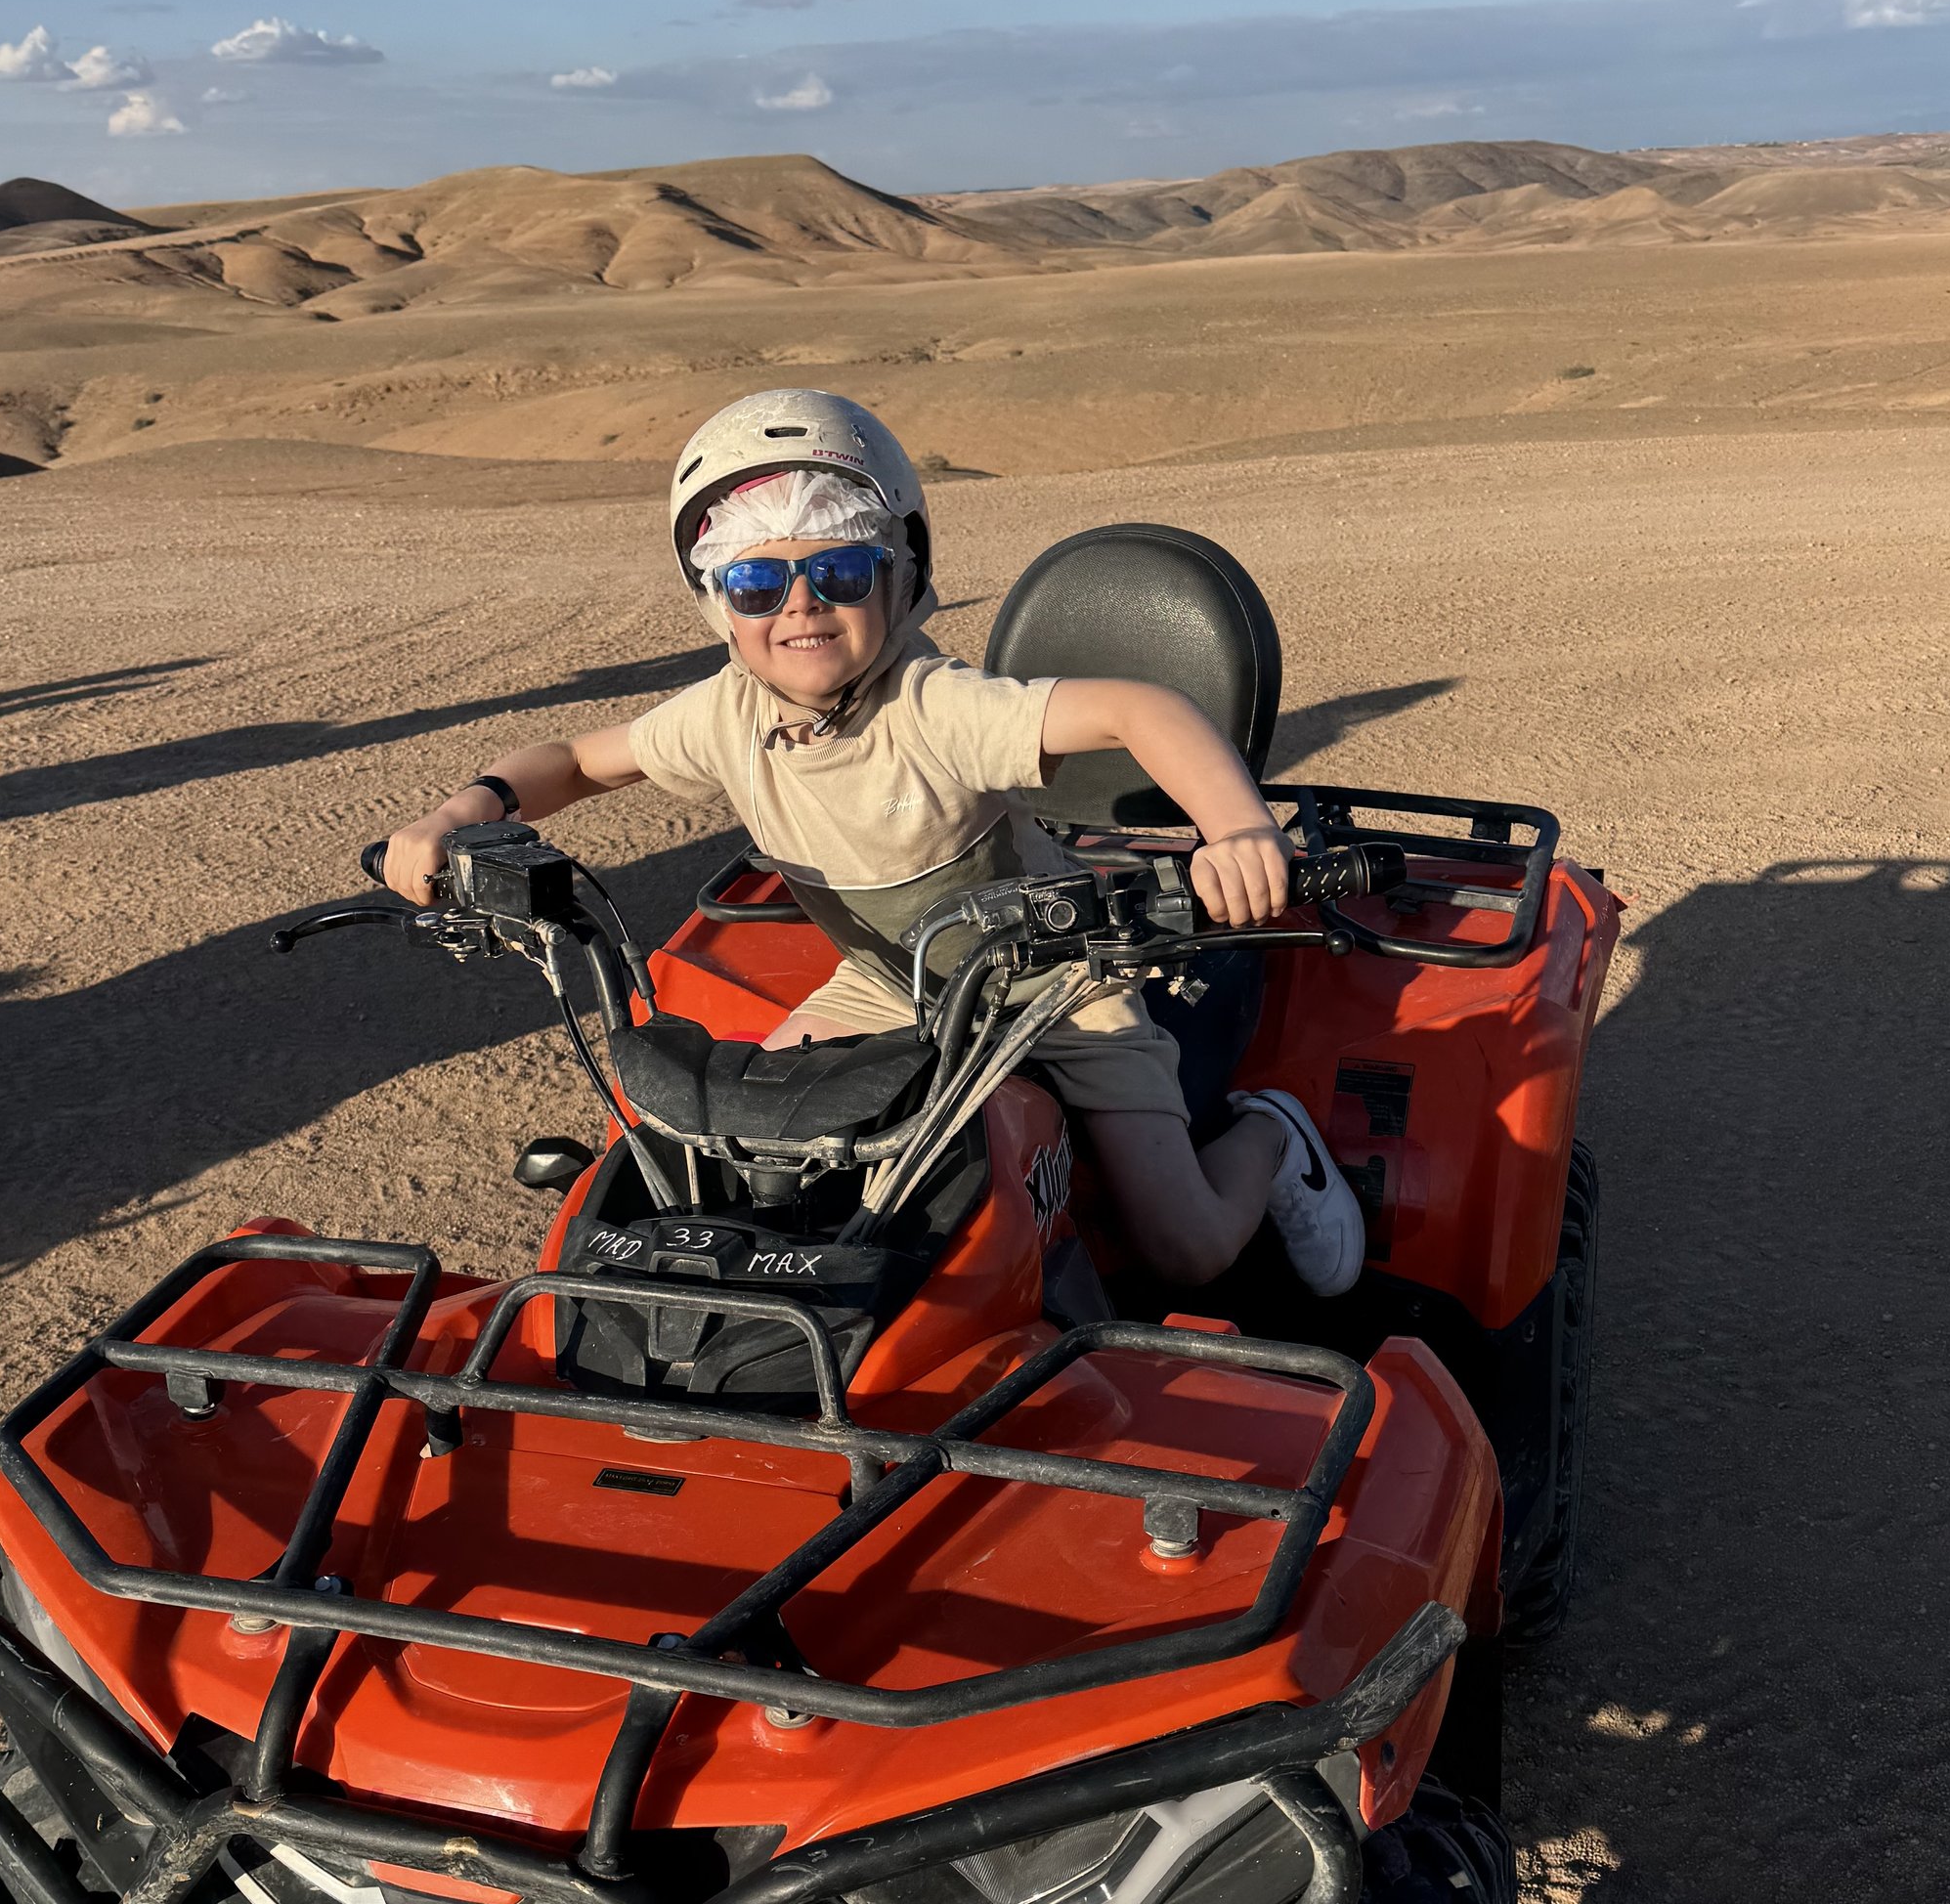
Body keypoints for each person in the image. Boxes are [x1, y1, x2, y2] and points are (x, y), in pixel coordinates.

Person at [384, 390, 1364, 1292]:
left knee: (1179, 1248)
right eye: (758, 581)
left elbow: (1139, 708)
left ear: (901, 576)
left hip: (1055, 982)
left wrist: (1234, 828)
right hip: (886, 981)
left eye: (840, 569)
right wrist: (460, 816)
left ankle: (1270, 1141)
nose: (799, 603)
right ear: (718, 602)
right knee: (752, 1163)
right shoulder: (724, 715)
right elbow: (576, 757)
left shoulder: (932, 706)